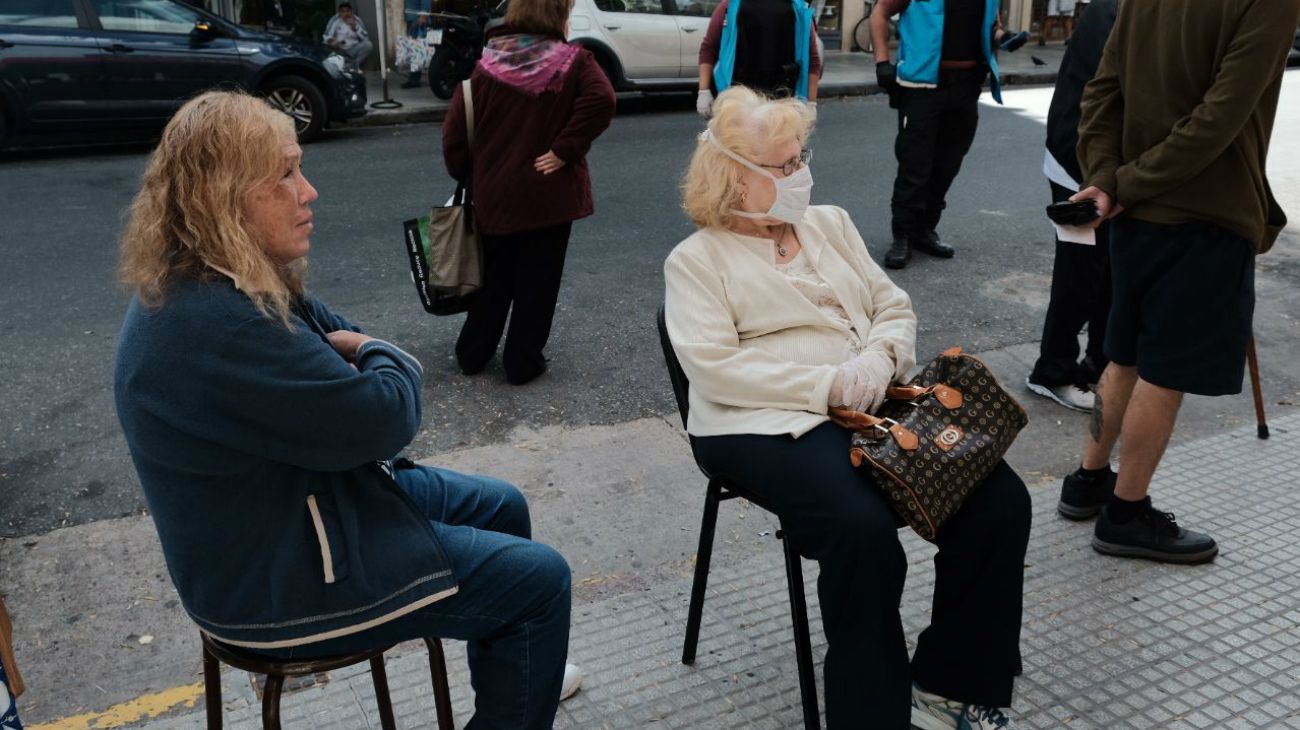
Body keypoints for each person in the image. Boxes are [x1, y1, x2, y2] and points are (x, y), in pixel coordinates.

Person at [113, 91, 582, 729]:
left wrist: (356, 355)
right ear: (223, 196)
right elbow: (387, 415)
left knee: (503, 505)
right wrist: (372, 352)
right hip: (276, 582)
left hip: (293, 512)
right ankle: (522, 672)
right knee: (541, 583)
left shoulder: (218, 273)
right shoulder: (221, 322)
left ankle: (519, 682)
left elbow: (338, 347)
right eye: (285, 173)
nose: (308, 191)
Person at [664, 87, 1029, 729]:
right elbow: (715, 369)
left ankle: (949, 684)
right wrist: (829, 385)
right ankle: (871, 717)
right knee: (862, 536)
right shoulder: (696, 261)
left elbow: (892, 305)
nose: (799, 175)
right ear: (732, 176)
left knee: (999, 500)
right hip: (760, 421)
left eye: (801, 158)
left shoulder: (828, 224)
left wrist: (881, 360)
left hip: (871, 400)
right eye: (782, 167)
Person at [1067, 0, 1298, 562]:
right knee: (1164, 370)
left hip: (1134, 213)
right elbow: (1219, 118)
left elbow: (1102, 92)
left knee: (1124, 355)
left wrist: (1107, 181)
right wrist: (1124, 184)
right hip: (1202, 214)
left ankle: (1088, 481)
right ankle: (1125, 513)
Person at [443, 0, 615, 385]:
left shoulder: (488, 63)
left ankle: (473, 353)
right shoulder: (575, 62)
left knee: (493, 278)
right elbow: (603, 99)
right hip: (548, 196)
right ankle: (522, 362)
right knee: (538, 282)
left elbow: (455, 134)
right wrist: (564, 149)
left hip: (495, 196)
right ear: (559, 16)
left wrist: (470, 173)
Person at [870, 0, 1028, 269]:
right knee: (914, 165)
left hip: (966, 87)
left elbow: (992, 27)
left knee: (948, 164)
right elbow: (880, 13)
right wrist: (882, 63)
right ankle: (903, 236)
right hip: (921, 88)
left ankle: (924, 230)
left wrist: (1004, 38)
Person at [1024, 0, 1118, 414]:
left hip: (1104, 165)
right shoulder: (1117, 11)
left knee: (1110, 272)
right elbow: (1105, 97)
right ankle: (1053, 372)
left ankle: (1098, 364)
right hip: (1079, 164)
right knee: (1079, 274)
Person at [695, 0, 823, 117]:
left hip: (782, 100)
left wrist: (811, 103)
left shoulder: (797, 8)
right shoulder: (731, 5)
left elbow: (812, 59)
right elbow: (709, 48)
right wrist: (704, 91)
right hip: (738, 98)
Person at [323, 2, 374, 68]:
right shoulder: (335, 20)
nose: (346, 14)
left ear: (351, 11)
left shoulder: (357, 20)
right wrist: (332, 41)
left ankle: (353, 65)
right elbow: (326, 36)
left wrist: (355, 27)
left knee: (368, 45)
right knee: (327, 47)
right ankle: (343, 66)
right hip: (339, 50)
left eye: (348, 11)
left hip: (352, 49)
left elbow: (365, 38)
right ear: (339, 13)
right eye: (343, 12)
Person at [400, 0, 433, 89]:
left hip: (417, 18)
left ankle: (414, 79)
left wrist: (424, 14)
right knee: (414, 49)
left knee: (417, 49)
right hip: (413, 17)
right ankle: (414, 78)